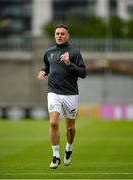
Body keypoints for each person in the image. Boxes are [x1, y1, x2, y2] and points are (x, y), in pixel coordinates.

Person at [38, 24, 87, 169]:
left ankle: (69, 148)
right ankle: (55, 156)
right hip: (53, 92)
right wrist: (43, 72)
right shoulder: (48, 52)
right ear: (54, 35)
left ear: (67, 36)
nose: (59, 35)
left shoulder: (75, 52)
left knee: (70, 128)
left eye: (62, 34)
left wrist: (69, 63)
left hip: (70, 93)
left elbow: (83, 73)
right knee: (53, 123)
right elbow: (47, 67)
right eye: (57, 33)